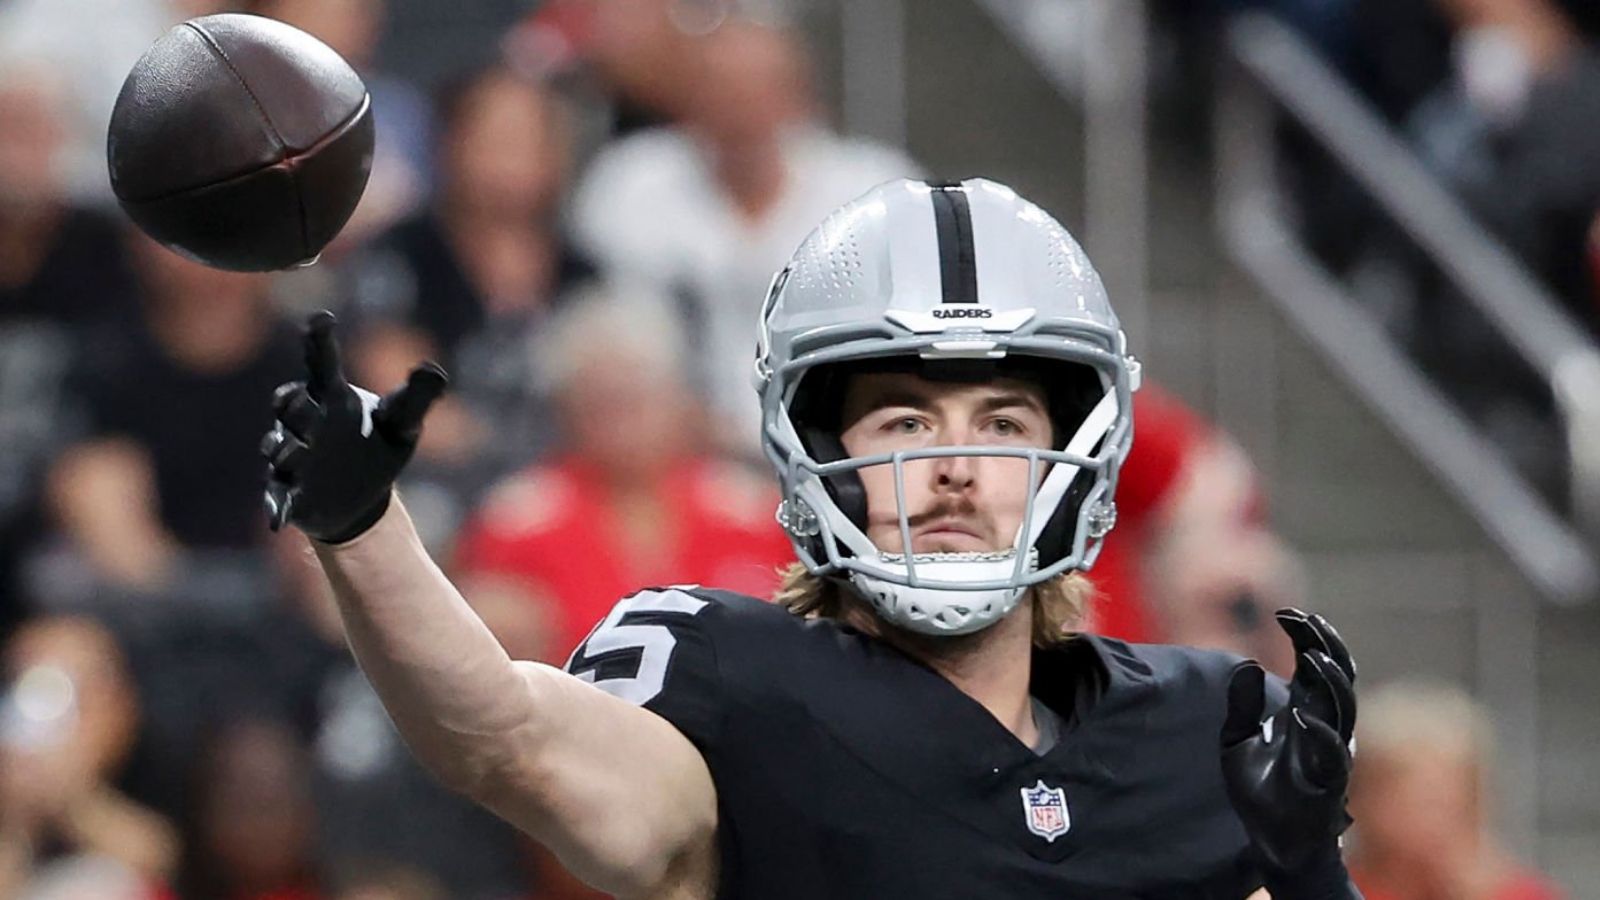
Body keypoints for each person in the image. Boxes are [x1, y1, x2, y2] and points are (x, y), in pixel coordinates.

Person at [259, 177, 1361, 897]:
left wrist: (1310, 871)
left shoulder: (1207, 726)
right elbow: (508, 739)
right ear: (812, 449)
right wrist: (363, 527)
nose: (953, 466)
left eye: (1002, 424)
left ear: (1076, 453)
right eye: (905, 422)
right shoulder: (733, 680)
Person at [1345, 680, 1563, 900]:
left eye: (1443, 803)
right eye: (1411, 803)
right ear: (1358, 800)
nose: (1429, 823)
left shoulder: (1516, 894)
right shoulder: (1338, 888)